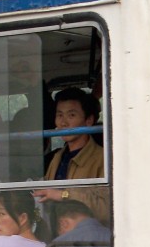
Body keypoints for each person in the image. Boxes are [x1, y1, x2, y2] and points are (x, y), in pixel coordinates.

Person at [32, 88, 108, 224]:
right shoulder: (57, 157)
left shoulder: (102, 159)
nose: (63, 123)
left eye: (71, 115)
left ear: (89, 120)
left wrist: (63, 195)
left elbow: (107, 208)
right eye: (59, 115)